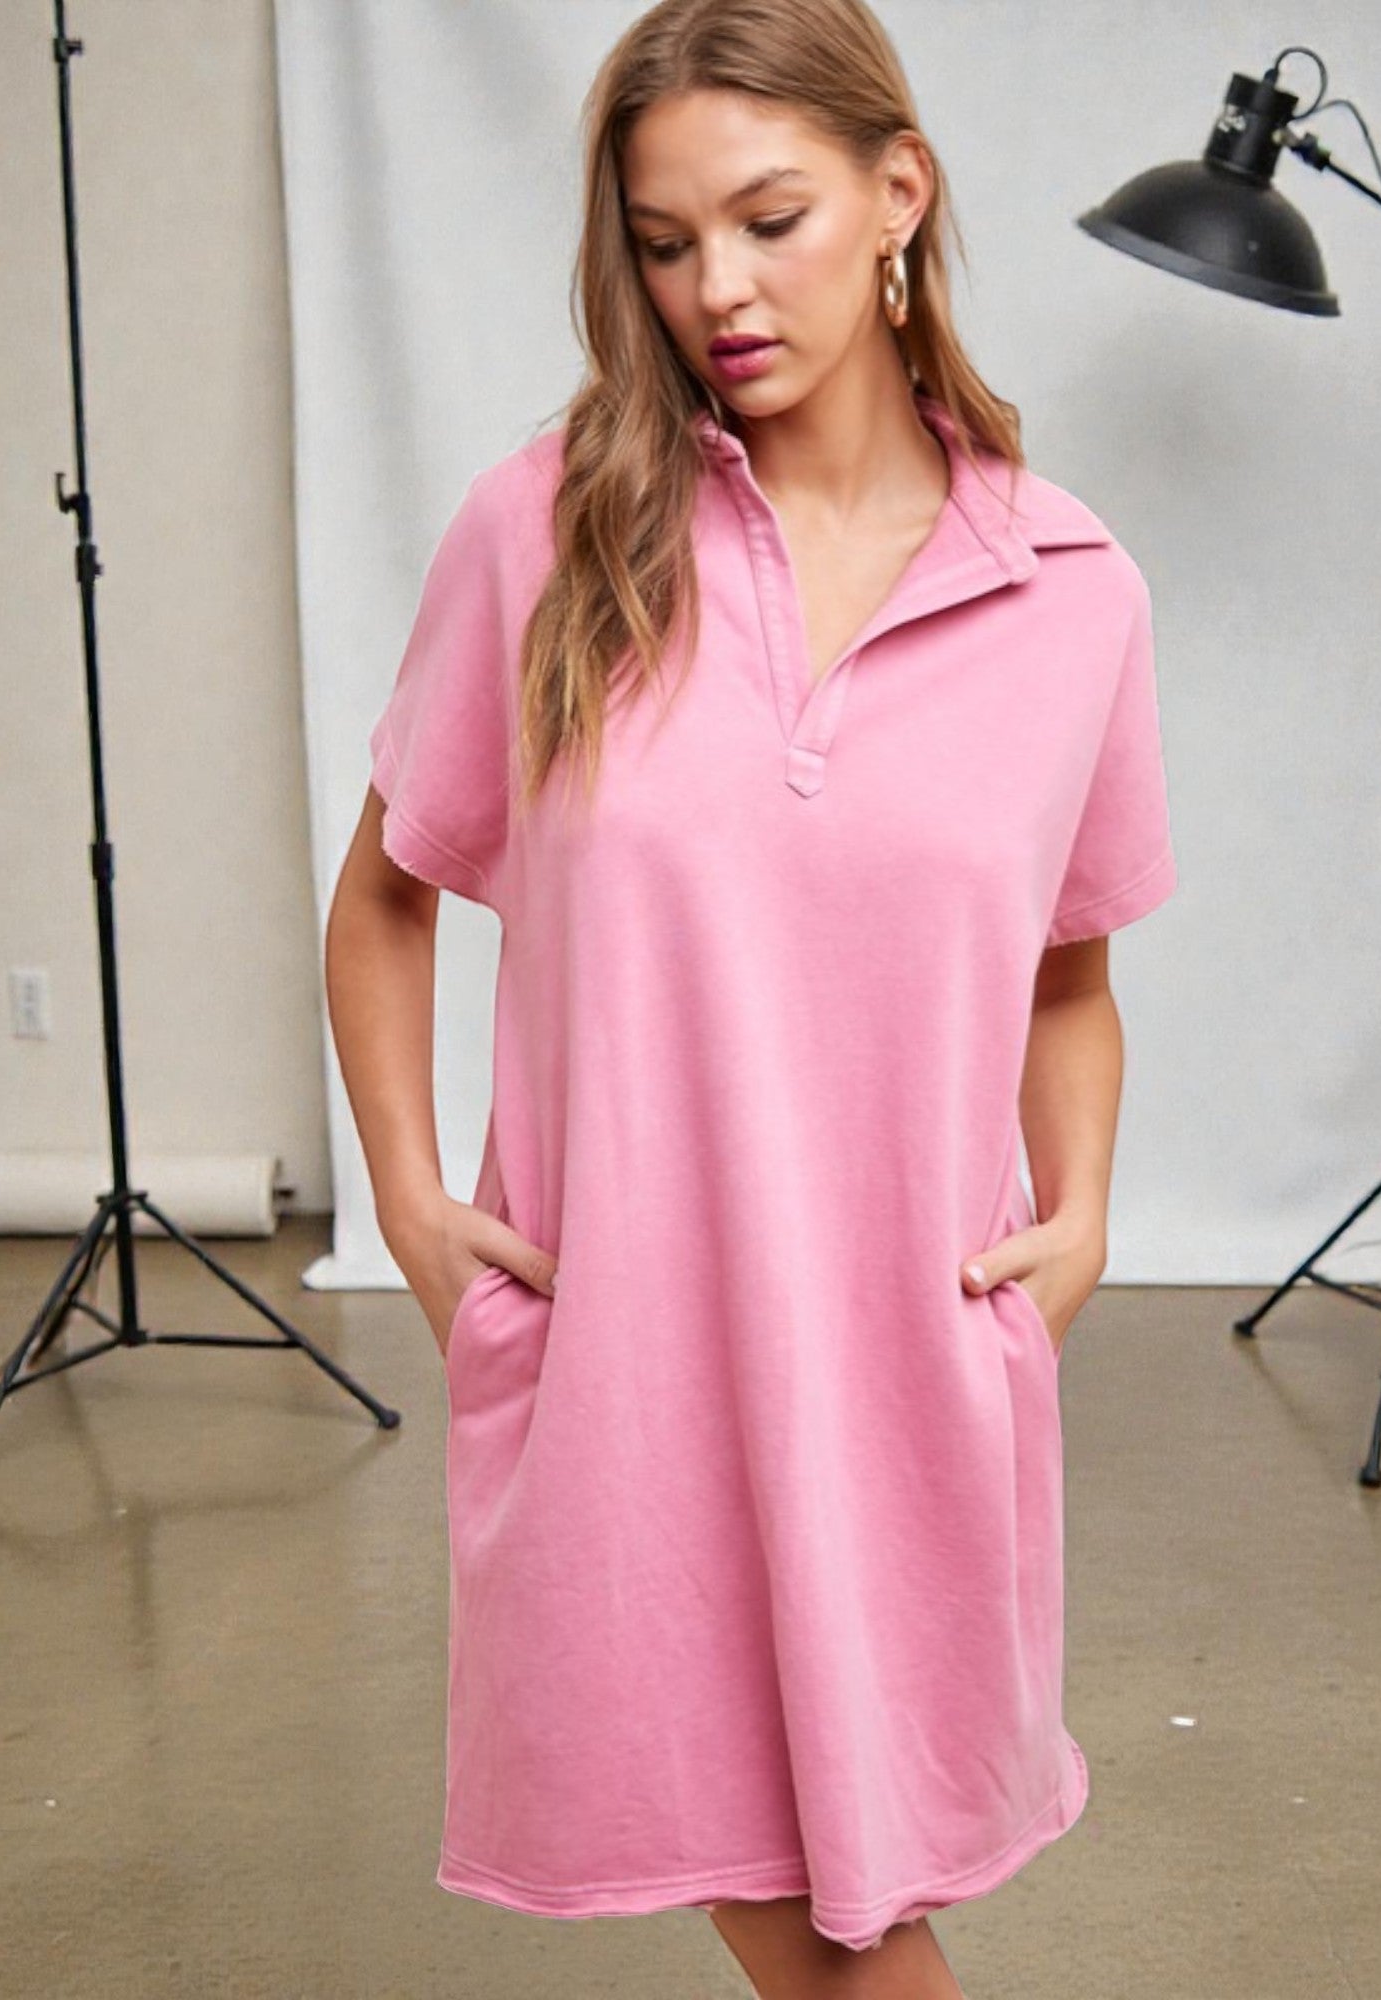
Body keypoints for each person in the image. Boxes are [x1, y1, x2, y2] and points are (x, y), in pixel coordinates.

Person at [324, 0, 1177, 1993]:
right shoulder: (547, 531)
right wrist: (409, 1197)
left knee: (862, 1908)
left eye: (767, 218)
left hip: (897, 1370)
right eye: (659, 237)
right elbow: (383, 897)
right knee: (820, 1924)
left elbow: (1069, 969)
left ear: (898, 194)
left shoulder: (1071, 594)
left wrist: (1079, 1217)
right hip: (630, 1368)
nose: (714, 288)